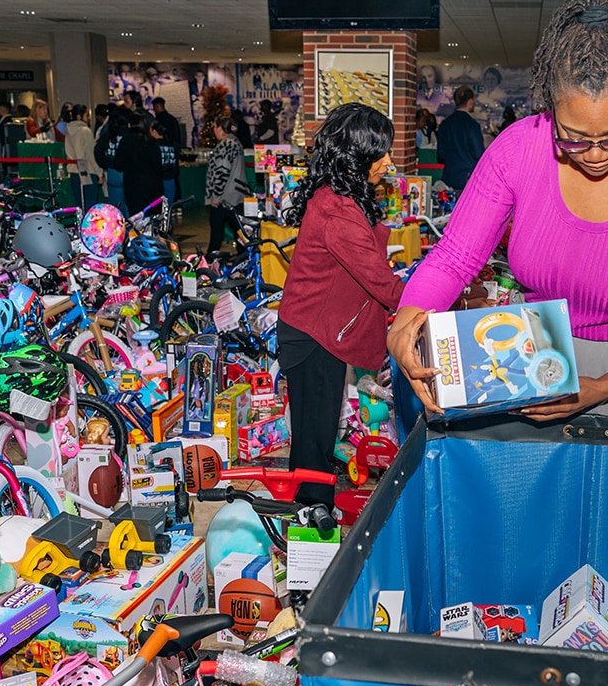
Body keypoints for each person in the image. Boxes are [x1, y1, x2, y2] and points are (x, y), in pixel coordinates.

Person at [389, 0, 608, 421]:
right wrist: (407, 319)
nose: (593, 154)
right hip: (535, 358)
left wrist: (603, 387)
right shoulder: (518, 150)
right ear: (550, 106)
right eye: (572, 137)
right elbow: (455, 257)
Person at [277, 103, 405, 508]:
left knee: (316, 434)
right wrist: (433, 297)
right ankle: (312, 519)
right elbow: (383, 285)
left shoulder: (339, 197)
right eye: (380, 153)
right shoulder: (338, 213)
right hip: (312, 335)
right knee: (313, 441)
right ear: (357, 156)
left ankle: (312, 505)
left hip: (317, 331)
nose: (388, 162)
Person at [204, 114, 249, 256]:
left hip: (224, 198)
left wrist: (216, 196)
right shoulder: (236, 142)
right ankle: (245, 262)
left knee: (216, 234)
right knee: (241, 234)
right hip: (238, 195)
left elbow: (222, 172)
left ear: (220, 129)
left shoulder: (224, 145)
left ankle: (210, 262)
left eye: (215, 127)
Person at [113, 112, 163, 215]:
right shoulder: (152, 141)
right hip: (153, 186)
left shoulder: (126, 141)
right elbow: (158, 165)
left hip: (133, 187)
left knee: (137, 219)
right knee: (153, 218)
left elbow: (118, 164)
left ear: (129, 125)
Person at [436, 85, 485, 190]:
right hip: (468, 180)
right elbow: (479, 154)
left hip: (448, 179)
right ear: (470, 102)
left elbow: (441, 155)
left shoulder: (445, 124)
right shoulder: (472, 125)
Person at [64, 104, 102, 212]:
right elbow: (90, 155)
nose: (89, 118)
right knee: (90, 207)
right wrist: (99, 173)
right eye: (87, 115)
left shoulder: (69, 131)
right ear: (79, 117)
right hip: (88, 172)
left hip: (73, 171)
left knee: (79, 206)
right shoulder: (86, 131)